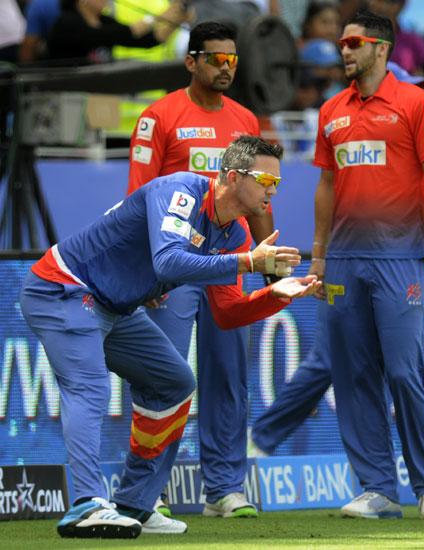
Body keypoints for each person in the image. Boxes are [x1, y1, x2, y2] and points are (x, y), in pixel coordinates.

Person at [20, 135, 321, 539]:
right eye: (266, 179)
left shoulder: (236, 233)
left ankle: (135, 504)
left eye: (277, 183)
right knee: (90, 387)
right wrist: (250, 262)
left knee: (175, 383)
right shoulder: (178, 191)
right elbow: (167, 260)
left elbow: (228, 312)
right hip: (64, 288)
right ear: (232, 176)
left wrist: (274, 295)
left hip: (113, 307)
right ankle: (87, 504)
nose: (273, 190)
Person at [311, 11, 424, 519]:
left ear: (381, 48)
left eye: (353, 43)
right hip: (344, 262)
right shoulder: (331, 110)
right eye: (341, 44)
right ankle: (377, 489)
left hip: (399, 257)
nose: (344, 51)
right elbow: (327, 185)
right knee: (354, 377)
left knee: (403, 372)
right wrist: (319, 255)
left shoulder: (418, 103)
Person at [127, 21, 275, 519]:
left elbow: (256, 197)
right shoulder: (159, 116)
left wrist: (267, 256)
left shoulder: (244, 120)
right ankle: (152, 492)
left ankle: (225, 489)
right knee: (162, 377)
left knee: (229, 376)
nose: (226, 67)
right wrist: (143, 273)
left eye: (232, 60)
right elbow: (138, 197)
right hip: (175, 268)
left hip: (229, 263)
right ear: (191, 61)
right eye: (216, 59)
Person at [250, 61, 424, 457]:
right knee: (330, 361)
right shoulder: (345, 118)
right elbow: (328, 188)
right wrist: (322, 256)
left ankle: (262, 438)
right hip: (352, 260)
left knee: (342, 363)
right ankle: (261, 439)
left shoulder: (409, 124)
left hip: (383, 261)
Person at [47, 0, 190, 64]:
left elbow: (148, 40)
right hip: (64, 94)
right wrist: (157, 17)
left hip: (96, 94)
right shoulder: (67, 22)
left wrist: (177, 20)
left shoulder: (104, 20)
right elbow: (121, 33)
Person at [367, 0, 424, 74]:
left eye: (389, 2)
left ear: (402, 5)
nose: (383, 7)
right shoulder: (355, 37)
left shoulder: (415, 43)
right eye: (379, 0)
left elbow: (423, 77)